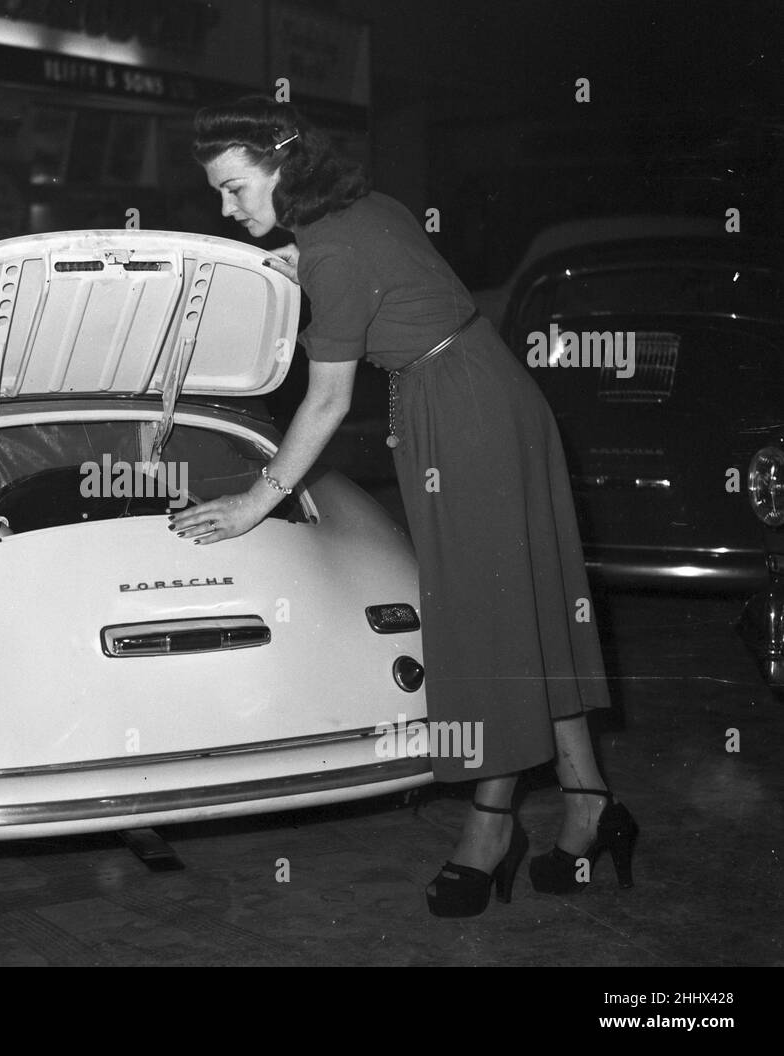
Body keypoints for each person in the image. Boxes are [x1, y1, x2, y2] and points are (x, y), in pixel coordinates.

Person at [169, 96, 638, 917]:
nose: (227, 207)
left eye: (236, 188)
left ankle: (491, 827)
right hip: (489, 393)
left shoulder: (333, 251)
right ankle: (590, 802)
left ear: (284, 169)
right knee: (527, 605)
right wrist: (287, 261)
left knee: (483, 622)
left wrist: (256, 501)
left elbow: (323, 405)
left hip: (458, 417)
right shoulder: (359, 210)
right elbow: (378, 281)